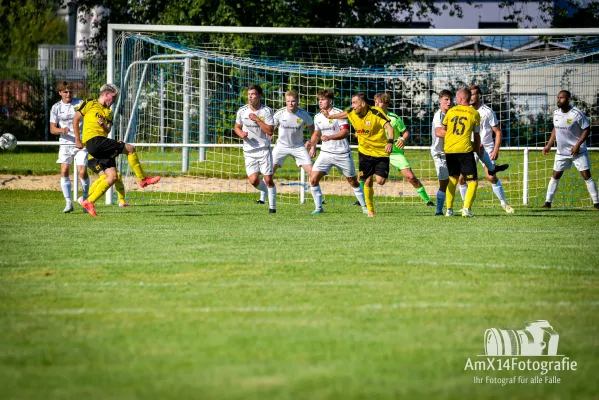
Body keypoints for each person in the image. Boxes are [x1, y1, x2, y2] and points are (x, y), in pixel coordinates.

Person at [74, 83, 161, 216]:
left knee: (113, 177)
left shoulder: (109, 112)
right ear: (106, 94)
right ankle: (143, 179)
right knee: (130, 148)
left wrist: (103, 126)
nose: (114, 100)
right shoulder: (90, 103)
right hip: (94, 142)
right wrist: (77, 139)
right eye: (113, 97)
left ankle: (89, 201)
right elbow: (76, 119)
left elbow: (108, 129)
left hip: (101, 144)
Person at [323, 92, 395, 217]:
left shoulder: (376, 112)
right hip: (365, 152)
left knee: (380, 181)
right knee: (367, 180)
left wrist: (390, 142)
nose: (352, 105)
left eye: (355, 103)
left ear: (362, 104)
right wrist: (330, 116)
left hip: (381, 152)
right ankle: (370, 210)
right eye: (352, 103)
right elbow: (345, 113)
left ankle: (371, 194)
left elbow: (389, 127)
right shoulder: (352, 112)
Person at [308, 89, 367, 215]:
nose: (320, 102)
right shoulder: (317, 117)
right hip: (325, 153)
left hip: (342, 153)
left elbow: (345, 132)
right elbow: (317, 134)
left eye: (322, 99)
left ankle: (364, 206)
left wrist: (330, 137)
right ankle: (319, 208)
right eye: (319, 100)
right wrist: (311, 143)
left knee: (352, 181)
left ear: (330, 101)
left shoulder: (339, 114)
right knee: (313, 179)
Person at [373, 92, 434, 208]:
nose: (375, 103)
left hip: (395, 153)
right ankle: (361, 200)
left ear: (385, 103)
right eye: (375, 101)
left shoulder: (394, 118)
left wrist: (403, 139)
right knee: (371, 178)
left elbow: (406, 132)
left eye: (378, 101)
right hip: (377, 152)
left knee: (411, 177)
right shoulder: (371, 117)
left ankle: (427, 201)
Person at [256, 90, 315, 204]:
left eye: (293, 101)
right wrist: (270, 135)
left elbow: (313, 130)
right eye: (288, 101)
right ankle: (262, 199)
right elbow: (271, 127)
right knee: (269, 172)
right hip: (281, 146)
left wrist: (312, 146)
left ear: (297, 101)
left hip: (298, 147)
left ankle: (319, 200)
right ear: (285, 101)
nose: (290, 103)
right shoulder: (279, 113)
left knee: (313, 173)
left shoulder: (304, 114)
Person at [541, 90, 598, 210]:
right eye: (558, 97)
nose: (559, 100)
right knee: (555, 176)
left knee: (586, 175)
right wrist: (549, 145)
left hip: (577, 151)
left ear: (568, 100)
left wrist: (578, 145)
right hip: (561, 152)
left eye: (562, 98)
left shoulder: (577, 114)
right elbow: (555, 129)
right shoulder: (556, 113)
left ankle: (597, 203)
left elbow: (587, 129)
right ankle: (547, 203)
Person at [461, 85, 513, 213]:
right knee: (462, 178)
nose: (471, 97)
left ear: (479, 96)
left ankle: (504, 204)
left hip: (486, 149)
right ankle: (466, 206)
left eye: (473, 94)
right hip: (470, 149)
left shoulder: (487, 111)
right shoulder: (465, 111)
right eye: (469, 94)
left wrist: (496, 150)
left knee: (490, 176)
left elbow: (498, 132)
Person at [438, 87, 480, 218]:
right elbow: (477, 134)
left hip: (449, 150)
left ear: (461, 99)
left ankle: (449, 210)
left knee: (453, 178)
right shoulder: (474, 113)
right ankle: (466, 209)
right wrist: (477, 149)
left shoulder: (450, 112)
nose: (455, 99)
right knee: (472, 181)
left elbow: (444, 129)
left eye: (456, 97)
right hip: (465, 149)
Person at [234, 84, 277, 213]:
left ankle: (272, 208)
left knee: (268, 179)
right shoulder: (242, 111)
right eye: (249, 94)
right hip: (249, 150)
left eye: (253, 94)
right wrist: (241, 134)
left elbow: (270, 130)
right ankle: (271, 192)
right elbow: (236, 127)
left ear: (259, 96)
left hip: (263, 149)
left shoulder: (266, 111)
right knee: (253, 180)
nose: (250, 97)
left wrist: (257, 119)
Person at [49, 81, 89, 213]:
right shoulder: (55, 108)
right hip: (65, 143)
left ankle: (85, 200)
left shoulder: (80, 103)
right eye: (65, 91)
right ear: (60, 92)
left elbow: (90, 117)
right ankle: (68, 202)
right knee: (65, 169)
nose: (68, 94)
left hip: (81, 143)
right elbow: (52, 129)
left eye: (70, 91)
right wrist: (62, 130)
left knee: (82, 171)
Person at [431, 90, 453, 216]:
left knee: (459, 179)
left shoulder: (453, 114)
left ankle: (462, 208)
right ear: (440, 101)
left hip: (452, 151)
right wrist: (457, 135)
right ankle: (439, 210)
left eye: (450, 99)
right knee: (444, 182)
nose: (449, 102)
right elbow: (439, 132)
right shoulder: (439, 115)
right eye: (446, 99)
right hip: (439, 153)